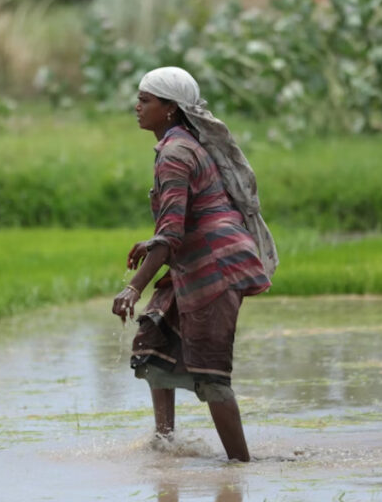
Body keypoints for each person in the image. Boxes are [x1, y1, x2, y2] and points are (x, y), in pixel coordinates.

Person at [111, 66, 278, 462]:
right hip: (199, 260)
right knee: (154, 340)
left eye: (145, 100)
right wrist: (153, 243)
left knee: (211, 374)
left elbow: (171, 234)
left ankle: (239, 467)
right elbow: (183, 220)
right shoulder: (179, 144)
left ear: (170, 108)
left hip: (215, 269)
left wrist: (133, 286)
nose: (137, 107)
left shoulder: (175, 152)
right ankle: (165, 444)